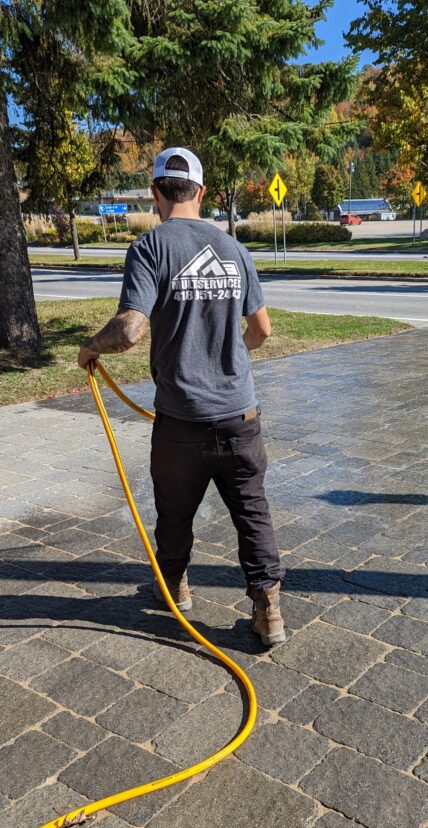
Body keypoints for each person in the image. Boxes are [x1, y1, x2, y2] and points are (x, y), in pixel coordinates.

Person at [78, 147, 286, 645]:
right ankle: (269, 611)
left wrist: (89, 348)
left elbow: (130, 331)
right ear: (201, 192)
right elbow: (262, 331)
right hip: (241, 416)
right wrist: (228, 355)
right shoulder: (235, 250)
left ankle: (174, 587)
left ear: (155, 194)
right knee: (252, 512)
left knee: (174, 513)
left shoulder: (150, 248)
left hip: (180, 425)